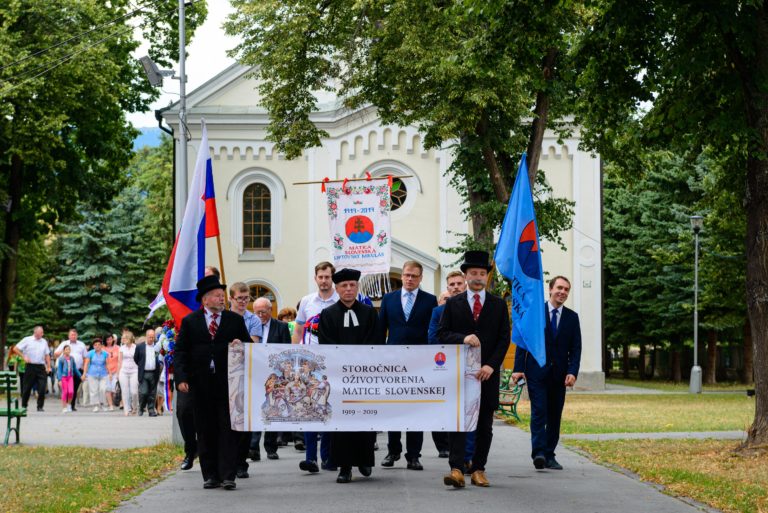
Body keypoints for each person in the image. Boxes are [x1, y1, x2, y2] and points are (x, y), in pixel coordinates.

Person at [438, 250, 510, 488]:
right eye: (473, 273)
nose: (477, 277)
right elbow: (442, 334)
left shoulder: (498, 305)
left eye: (482, 273)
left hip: (487, 375)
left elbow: (503, 339)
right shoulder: (453, 304)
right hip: (460, 375)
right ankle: (457, 469)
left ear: (487, 277)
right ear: (465, 275)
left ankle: (479, 468)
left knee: (484, 425)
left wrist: (491, 365)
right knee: (458, 422)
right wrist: (463, 337)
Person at [174, 275, 252, 491]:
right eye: (217, 296)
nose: (222, 299)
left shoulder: (234, 320)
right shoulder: (190, 322)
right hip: (200, 384)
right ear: (205, 299)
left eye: (222, 295)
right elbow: (180, 352)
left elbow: (248, 346)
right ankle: (210, 475)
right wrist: (181, 378)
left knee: (227, 428)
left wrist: (241, 344)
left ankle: (228, 475)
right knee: (205, 428)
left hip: (227, 383)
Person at [317, 268, 382, 484]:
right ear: (337, 288)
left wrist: (361, 362)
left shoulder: (369, 312)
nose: (348, 289)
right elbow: (326, 345)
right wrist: (343, 364)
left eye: (352, 285)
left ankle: (364, 461)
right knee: (342, 423)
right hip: (339, 377)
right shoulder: (327, 315)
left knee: (365, 418)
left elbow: (376, 340)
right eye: (344, 286)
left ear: (357, 287)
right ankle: (344, 467)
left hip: (364, 376)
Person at [512, 275, 582, 471]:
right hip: (536, 372)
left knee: (554, 415)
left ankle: (550, 454)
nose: (562, 292)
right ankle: (539, 453)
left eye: (566, 289)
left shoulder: (572, 318)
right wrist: (518, 368)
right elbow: (522, 342)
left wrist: (572, 372)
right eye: (559, 288)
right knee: (539, 412)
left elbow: (576, 348)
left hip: (560, 375)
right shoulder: (535, 314)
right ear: (550, 289)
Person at [378, 260, 437, 471]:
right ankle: (392, 451)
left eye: (414, 276)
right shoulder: (389, 299)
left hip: (419, 364)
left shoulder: (430, 301)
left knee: (415, 410)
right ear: (401, 276)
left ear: (421, 278)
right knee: (394, 409)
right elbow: (380, 330)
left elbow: (433, 332)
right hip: (392, 363)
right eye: (406, 275)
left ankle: (413, 455)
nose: (409, 279)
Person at [294, 261, 339, 474]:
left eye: (327, 277)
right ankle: (310, 458)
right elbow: (299, 329)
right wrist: (295, 356)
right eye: (320, 277)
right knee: (310, 410)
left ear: (332, 278)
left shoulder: (340, 299)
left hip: (332, 363)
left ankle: (328, 457)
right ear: (315, 278)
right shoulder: (306, 301)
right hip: (308, 365)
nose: (323, 281)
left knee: (328, 409)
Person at [428, 270, 467, 459]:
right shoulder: (438, 312)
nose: (456, 287)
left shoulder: (473, 308)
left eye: (459, 283)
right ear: (447, 288)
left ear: (465, 284)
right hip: (443, 365)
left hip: (468, 366)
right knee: (442, 407)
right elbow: (433, 338)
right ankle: (444, 446)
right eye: (452, 285)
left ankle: (465, 450)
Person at [248, 297, 292, 462]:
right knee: (256, 410)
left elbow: (286, 350)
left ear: (270, 310)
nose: (260, 315)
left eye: (263, 312)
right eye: (257, 312)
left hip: (275, 375)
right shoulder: (250, 325)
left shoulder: (281, 327)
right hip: (255, 373)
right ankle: (253, 448)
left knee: (273, 409)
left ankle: (271, 447)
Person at [228, 282, 264, 478]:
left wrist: (239, 343)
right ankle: (228, 459)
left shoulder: (253, 320)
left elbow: (254, 344)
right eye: (239, 298)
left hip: (246, 372)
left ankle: (241, 461)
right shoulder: (223, 318)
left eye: (246, 298)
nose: (243, 302)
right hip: (225, 373)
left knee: (244, 420)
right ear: (231, 299)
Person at [12, 326, 51, 412]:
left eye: (42, 333)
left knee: (42, 387)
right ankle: (24, 406)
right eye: (41, 333)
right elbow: (15, 349)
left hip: (41, 367)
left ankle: (40, 406)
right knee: (27, 388)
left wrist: (48, 366)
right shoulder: (27, 339)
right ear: (35, 332)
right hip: (30, 366)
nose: (42, 334)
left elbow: (47, 354)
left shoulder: (44, 341)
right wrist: (23, 356)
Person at [54, 329, 88, 411]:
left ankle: (71, 405)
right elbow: (56, 354)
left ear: (77, 335)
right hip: (64, 372)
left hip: (77, 369)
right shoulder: (64, 343)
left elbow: (85, 357)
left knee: (74, 389)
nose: (73, 336)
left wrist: (84, 371)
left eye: (75, 335)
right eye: (72, 335)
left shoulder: (81, 344)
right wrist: (61, 353)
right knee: (66, 389)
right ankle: (65, 405)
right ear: (69, 336)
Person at [134, 329, 163, 417]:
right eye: (150, 337)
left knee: (152, 393)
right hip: (144, 373)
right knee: (143, 392)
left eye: (153, 337)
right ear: (146, 337)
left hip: (154, 373)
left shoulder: (158, 347)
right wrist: (142, 365)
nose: (151, 339)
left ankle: (151, 410)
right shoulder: (140, 346)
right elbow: (136, 358)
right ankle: (141, 407)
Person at [83, 338, 109, 412]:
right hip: (92, 373)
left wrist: (109, 373)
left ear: (101, 345)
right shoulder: (90, 353)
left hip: (103, 374)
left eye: (99, 344)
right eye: (95, 345)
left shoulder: (105, 353)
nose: (97, 346)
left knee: (103, 389)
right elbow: (86, 363)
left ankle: (103, 404)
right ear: (93, 346)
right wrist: (84, 373)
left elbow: (107, 364)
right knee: (94, 390)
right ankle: (96, 405)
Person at [117, 330, 139, 416]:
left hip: (134, 371)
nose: (122, 339)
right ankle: (127, 409)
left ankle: (134, 407)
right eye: (122, 338)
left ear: (129, 338)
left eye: (124, 338)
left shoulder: (136, 347)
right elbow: (119, 361)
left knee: (134, 391)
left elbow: (139, 359)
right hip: (124, 371)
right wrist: (118, 374)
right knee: (125, 391)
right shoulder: (121, 348)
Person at [57, 345, 81, 412]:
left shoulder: (71, 358)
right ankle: (64, 407)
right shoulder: (61, 359)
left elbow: (75, 368)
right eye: (66, 349)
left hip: (70, 377)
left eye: (69, 349)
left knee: (71, 392)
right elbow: (59, 370)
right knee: (65, 392)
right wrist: (59, 380)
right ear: (64, 351)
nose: (68, 351)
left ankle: (69, 405)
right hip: (64, 377)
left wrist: (80, 375)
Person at [104, 334, 119, 411]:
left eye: (110, 339)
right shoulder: (103, 349)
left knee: (114, 388)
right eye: (107, 340)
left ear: (113, 339)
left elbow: (120, 360)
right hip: (106, 371)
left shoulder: (117, 348)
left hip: (116, 371)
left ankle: (113, 402)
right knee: (108, 388)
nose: (109, 341)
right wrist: (108, 372)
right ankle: (110, 405)